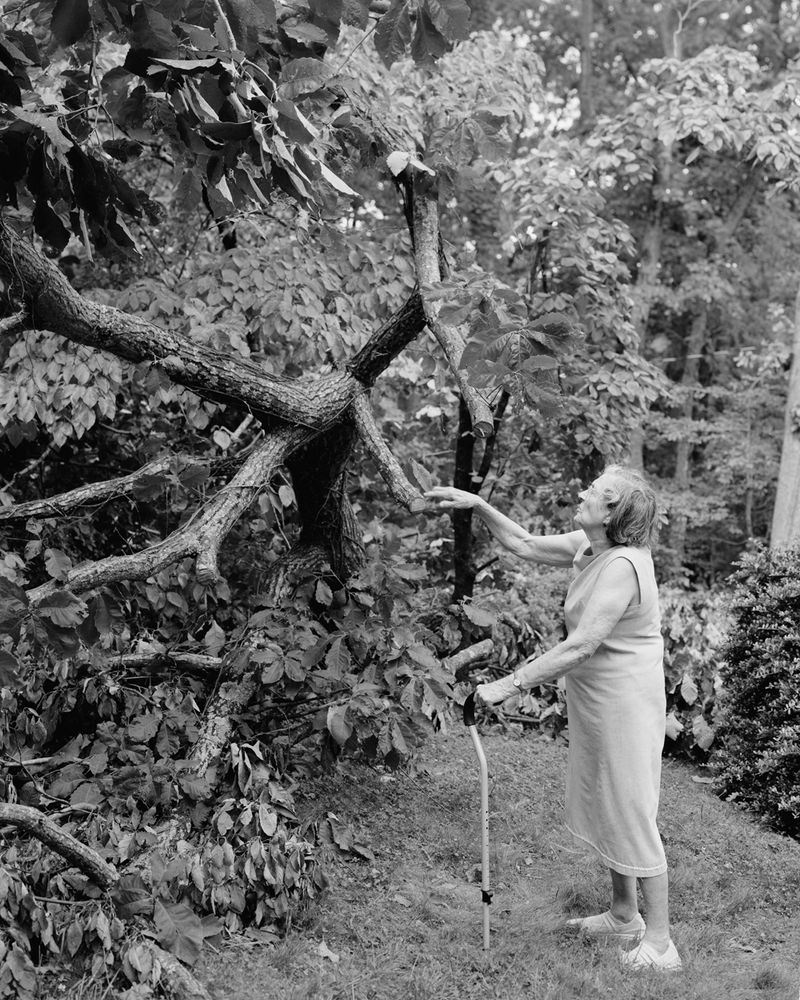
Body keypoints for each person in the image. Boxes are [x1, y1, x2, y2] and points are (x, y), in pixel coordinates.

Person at [425, 466, 682, 972]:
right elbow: (522, 543)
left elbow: (583, 643)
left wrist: (508, 684)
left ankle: (661, 943)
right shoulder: (593, 547)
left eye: (596, 492)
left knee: (630, 807)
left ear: (613, 514)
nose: (583, 491)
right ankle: (624, 915)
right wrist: (476, 504)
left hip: (627, 701)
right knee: (609, 799)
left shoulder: (624, 566)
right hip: (600, 698)